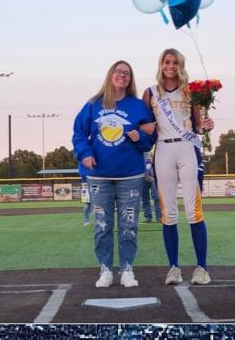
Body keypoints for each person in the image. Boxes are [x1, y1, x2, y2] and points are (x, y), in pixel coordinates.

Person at [72, 60, 155, 289]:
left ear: (131, 79)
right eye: (118, 72)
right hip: (99, 175)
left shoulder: (139, 106)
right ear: (110, 75)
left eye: (127, 73)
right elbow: (78, 133)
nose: (122, 76)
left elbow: (150, 138)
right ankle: (106, 270)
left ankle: (127, 269)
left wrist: (142, 137)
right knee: (102, 226)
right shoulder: (93, 104)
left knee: (129, 226)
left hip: (130, 175)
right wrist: (85, 153)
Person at [141, 48, 216, 286]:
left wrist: (207, 125)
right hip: (163, 150)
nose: (171, 66)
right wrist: (142, 129)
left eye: (175, 62)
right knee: (169, 213)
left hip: (187, 148)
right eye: (167, 61)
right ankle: (173, 267)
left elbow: (198, 126)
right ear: (161, 64)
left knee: (194, 210)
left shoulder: (190, 91)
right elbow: (144, 123)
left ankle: (202, 268)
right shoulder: (150, 92)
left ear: (181, 65)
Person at [141, 150, 161, 222]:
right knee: (145, 198)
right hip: (143, 177)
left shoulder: (156, 148)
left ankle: (159, 217)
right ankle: (148, 217)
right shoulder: (142, 149)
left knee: (157, 198)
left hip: (154, 177)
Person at [78, 159, 92, 226]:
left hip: (98, 181)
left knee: (100, 203)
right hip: (85, 183)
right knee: (87, 204)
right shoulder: (82, 160)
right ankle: (86, 220)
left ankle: (100, 220)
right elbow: (82, 172)